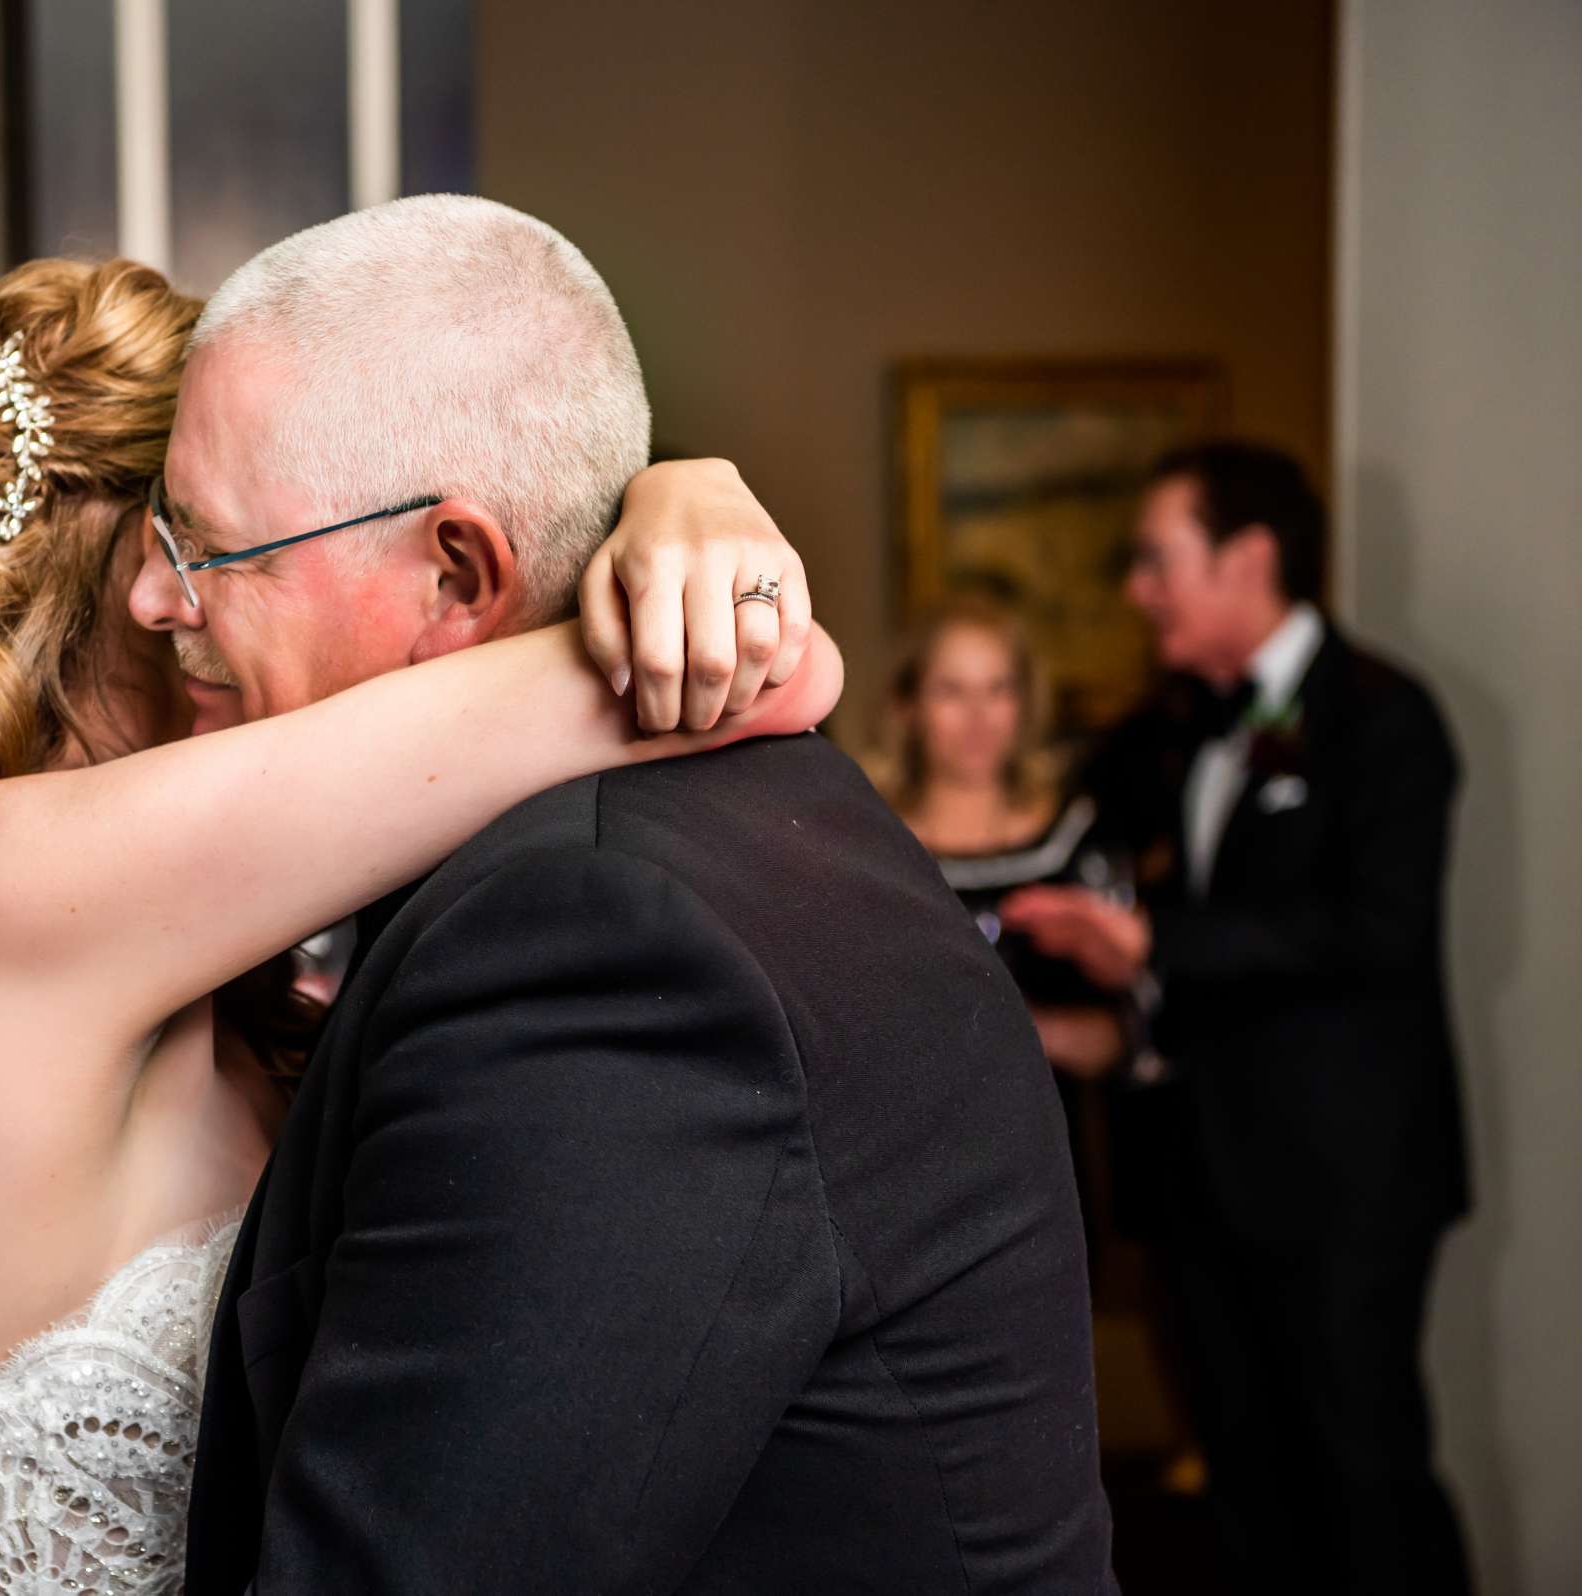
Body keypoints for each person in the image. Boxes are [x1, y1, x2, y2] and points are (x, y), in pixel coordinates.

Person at [0, 252, 843, 1595]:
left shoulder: (104, 948)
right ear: (113, 563)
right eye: (198, 533)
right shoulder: (4, 887)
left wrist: (673, 492)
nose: (197, 590)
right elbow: (767, 665)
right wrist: (693, 497)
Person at [127, 197, 1111, 1593]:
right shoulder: (689, 817)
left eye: (205, 549)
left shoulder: (591, 945)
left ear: (458, 571)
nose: (157, 605)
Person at [1001, 438, 1471, 1595]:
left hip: (1341, 1181)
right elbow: (1053, 832)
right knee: (1242, 1486)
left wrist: (1155, 944)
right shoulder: (1165, 730)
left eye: (1158, 561)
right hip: (1191, 1173)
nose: (1136, 591)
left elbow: (1377, 931)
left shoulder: (1385, 719)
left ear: (1249, 557)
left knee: (1364, 1476)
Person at [870, 597, 1137, 1080]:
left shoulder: (1076, 837)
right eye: (952, 691)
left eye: (999, 689)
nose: (979, 717)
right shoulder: (869, 845)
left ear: (1025, 702)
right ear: (908, 706)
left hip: (1061, 1132)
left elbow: (1125, 1029)